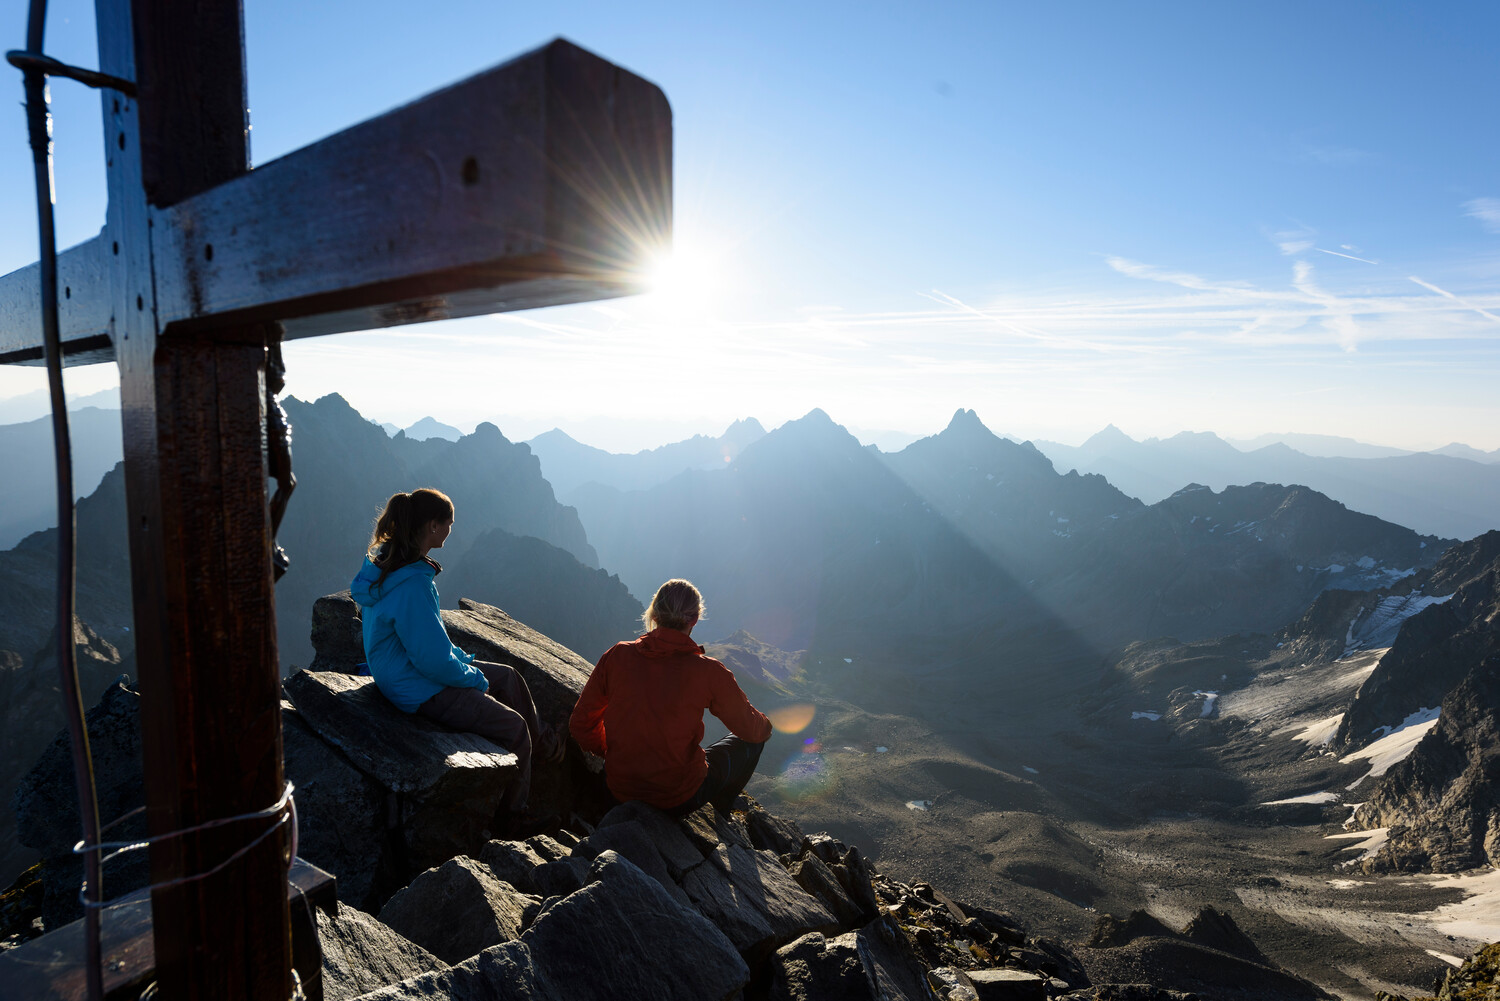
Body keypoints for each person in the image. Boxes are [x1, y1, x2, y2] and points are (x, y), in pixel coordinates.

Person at [350, 488, 565, 837]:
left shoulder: (393, 567)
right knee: (515, 729)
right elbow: (432, 661)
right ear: (433, 526)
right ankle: (512, 819)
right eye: (449, 523)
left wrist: (464, 662)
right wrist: (474, 679)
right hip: (418, 688)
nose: (452, 529)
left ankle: (540, 746)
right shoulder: (412, 586)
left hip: (407, 673)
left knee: (509, 677)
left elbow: (429, 643)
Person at [570, 579, 772, 816]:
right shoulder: (708, 671)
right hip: (677, 797)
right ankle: (721, 812)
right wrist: (766, 726)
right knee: (753, 740)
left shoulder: (617, 655)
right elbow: (752, 730)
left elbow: (581, 724)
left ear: (655, 615)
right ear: (694, 619)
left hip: (619, 789)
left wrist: (614, 752)